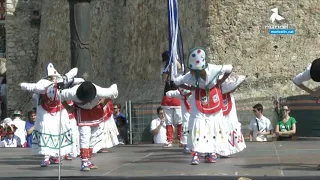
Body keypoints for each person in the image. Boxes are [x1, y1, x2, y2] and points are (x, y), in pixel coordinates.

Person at [173, 47, 232, 165]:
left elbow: (229, 68)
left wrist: (221, 81)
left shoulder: (214, 69)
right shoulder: (190, 76)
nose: (193, 73)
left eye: (196, 72)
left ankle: (211, 152)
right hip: (198, 99)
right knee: (198, 125)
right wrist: (191, 88)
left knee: (213, 126)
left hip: (213, 97)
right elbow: (176, 81)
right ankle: (196, 153)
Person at [19, 63, 78, 167]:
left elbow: (72, 74)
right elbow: (32, 87)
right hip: (45, 111)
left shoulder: (61, 82)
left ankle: (57, 155)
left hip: (59, 110)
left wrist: (72, 76)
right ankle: (46, 157)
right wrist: (23, 85)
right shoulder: (43, 84)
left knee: (59, 130)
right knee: (45, 130)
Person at [53, 80, 118, 171]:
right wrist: (67, 107)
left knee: (94, 135)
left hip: (95, 111)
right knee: (85, 135)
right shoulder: (72, 92)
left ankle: (88, 160)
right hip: (82, 112)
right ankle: (84, 161)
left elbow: (114, 91)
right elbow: (57, 96)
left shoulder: (99, 91)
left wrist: (104, 100)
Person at [216, 74, 246, 157]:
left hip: (229, 102)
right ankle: (222, 150)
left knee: (229, 126)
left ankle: (227, 149)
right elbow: (229, 87)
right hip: (220, 103)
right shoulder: (218, 81)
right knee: (222, 127)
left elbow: (232, 88)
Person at [160, 51, 183, 147]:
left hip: (177, 95)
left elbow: (180, 68)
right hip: (168, 95)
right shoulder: (164, 68)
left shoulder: (178, 65)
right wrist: (167, 67)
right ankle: (169, 139)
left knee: (179, 119)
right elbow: (164, 79)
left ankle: (181, 139)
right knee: (168, 120)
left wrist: (174, 60)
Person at [166, 86, 192, 153]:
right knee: (186, 124)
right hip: (186, 111)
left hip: (197, 110)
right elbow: (170, 93)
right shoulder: (181, 93)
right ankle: (186, 144)